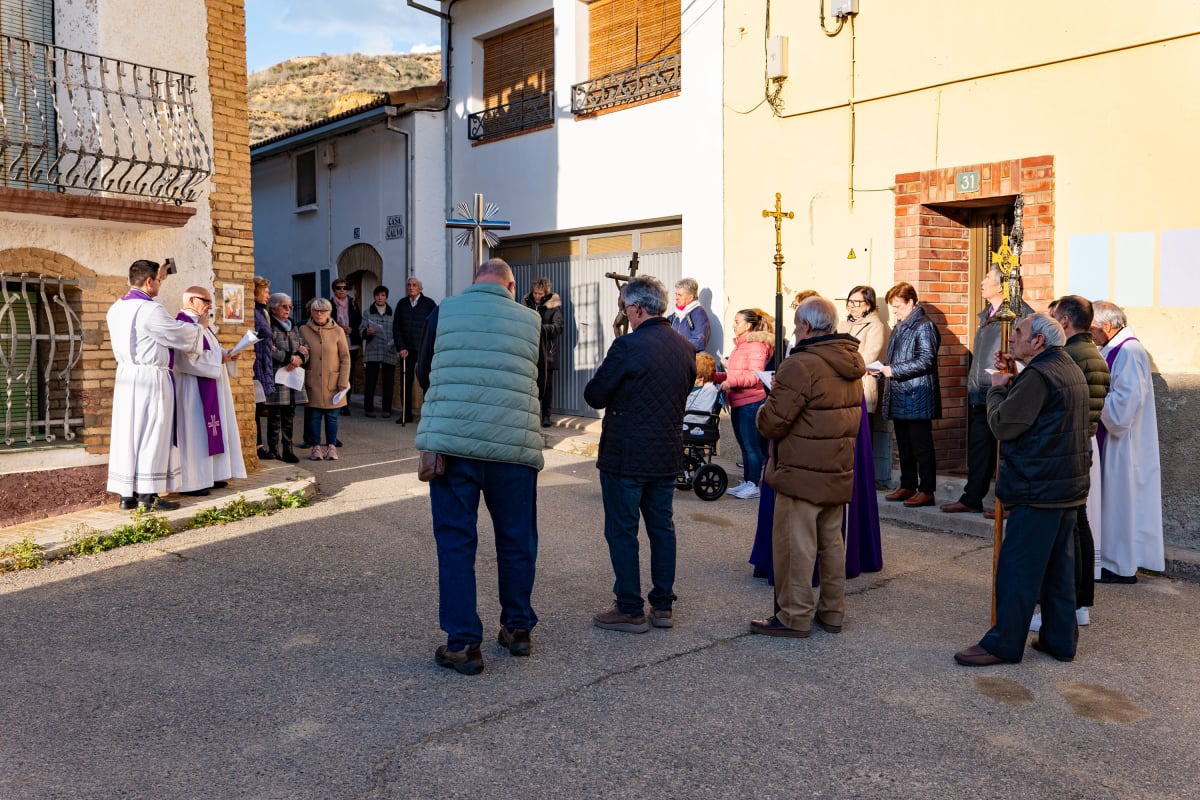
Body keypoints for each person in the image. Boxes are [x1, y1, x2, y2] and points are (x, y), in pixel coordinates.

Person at [415, 259, 544, 676]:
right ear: (511, 284)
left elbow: (423, 371)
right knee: (517, 539)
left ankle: (463, 644)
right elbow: (537, 374)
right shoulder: (531, 319)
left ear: (474, 283)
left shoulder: (444, 310)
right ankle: (518, 629)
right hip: (513, 445)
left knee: (456, 542)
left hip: (453, 447)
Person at [954, 313, 1090, 666]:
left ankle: (1003, 644)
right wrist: (1014, 377)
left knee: (1018, 570)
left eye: (1018, 333)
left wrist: (999, 386)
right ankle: (1059, 640)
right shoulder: (1064, 365)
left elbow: (1003, 424)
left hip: (1039, 487)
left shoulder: (1041, 374)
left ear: (1039, 342)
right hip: (1063, 485)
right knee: (1057, 572)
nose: (1012, 338)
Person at [585, 275, 696, 633]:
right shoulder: (684, 347)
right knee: (662, 528)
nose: (625, 314)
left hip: (626, 454)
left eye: (624, 308)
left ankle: (630, 607)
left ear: (635, 308)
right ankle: (662, 606)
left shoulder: (627, 347)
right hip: (665, 452)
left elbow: (594, 395)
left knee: (622, 530)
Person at [750, 296, 865, 637]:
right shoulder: (848, 360)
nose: (796, 329)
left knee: (795, 545)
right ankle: (832, 612)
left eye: (798, 323)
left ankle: (794, 615)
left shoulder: (801, 364)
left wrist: (761, 409)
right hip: (836, 466)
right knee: (831, 544)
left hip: (802, 469)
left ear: (807, 326)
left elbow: (772, 422)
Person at [1028, 295, 1109, 630]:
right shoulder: (1093, 354)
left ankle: (1066, 604)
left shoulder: (1070, 356)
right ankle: (1079, 602)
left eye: (1054, 316)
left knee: (1064, 535)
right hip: (1081, 445)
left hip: (1066, 447)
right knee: (1077, 527)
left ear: (1064, 321)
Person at [106, 260, 205, 511]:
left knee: (128, 434)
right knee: (153, 432)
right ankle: (147, 495)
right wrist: (198, 328)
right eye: (159, 280)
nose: (161, 284)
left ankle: (127, 495)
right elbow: (176, 333)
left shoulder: (116, 307)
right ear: (149, 281)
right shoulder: (150, 309)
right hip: (151, 378)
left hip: (127, 376)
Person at [941, 268, 1034, 514]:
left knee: (1006, 450)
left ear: (1002, 286)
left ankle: (1008, 502)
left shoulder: (1020, 315)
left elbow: (1023, 352)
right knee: (980, 449)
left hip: (1006, 391)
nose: (981, 283)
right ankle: (972, 496)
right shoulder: (987, 315)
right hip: (982, 392)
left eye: (987, 279)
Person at [1091, 300, 1165, 583]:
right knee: (1113, 502)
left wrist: (1092, 396)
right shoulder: (1112, 348)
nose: (1092, 336)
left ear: (1108, 326)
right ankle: (1109, 560)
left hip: (1123, 443)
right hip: (1111, 436)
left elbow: (1125, 404)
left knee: (1121, 501)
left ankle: (1121, 565)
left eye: (1094, 329)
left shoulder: (1130, 351)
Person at [173, 286, 246, 496]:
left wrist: (226, 353)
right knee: (194, 433)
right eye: (206, 300)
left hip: (211, 384)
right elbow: (185, 361)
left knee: (212, 429)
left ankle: (212, 475)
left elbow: (209, 351)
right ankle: (192, 482)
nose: (210, 305)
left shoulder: (201, 324)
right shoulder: (182, 324)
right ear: (191, 300)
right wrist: (217, 358)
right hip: (192, 389)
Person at [875, 282, 941, 508]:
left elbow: (926, 359)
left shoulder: (924, 326)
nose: (894, 311)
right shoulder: (901, 325)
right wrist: (882, 369)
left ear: (911, 302)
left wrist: (892, 371)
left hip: (917, 393)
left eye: (897, 306)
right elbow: (896, 358)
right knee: (904, 444)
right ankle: (908, 484)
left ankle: (927, 490)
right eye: (892, 307)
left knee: (921, 446)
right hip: (901, 392)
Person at [715, 308, 774, 499]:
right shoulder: (740, 345)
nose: (733, 325)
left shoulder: (756, 345)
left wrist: (730, 382)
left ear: (748, 325)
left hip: (751, 402)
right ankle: (748, 481)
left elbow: (753, 376)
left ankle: (753, 484)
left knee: (752, 446)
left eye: (737, 321)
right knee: (744, 445)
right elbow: (736, 372)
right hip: (738, 401)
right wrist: (715, 376)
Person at [836, 285, 892, 483]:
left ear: (868, 304)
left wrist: (840, 362)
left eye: (856, 302)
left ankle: (862, 479)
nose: (851, 306)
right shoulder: (842, 325)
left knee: (860, 435)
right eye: (849, 301)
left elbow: (869, 357)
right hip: (839, 386)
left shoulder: (876, 326)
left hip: (862, 385)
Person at [300, 298, 350, 461]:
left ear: (329, 313)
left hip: (333, 382)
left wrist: (343, 381)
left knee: (332, 417)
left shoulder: (338, 331)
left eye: (323, 311)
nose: (319, 314)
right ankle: (315, 447)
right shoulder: (303, 330)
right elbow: (299, 354)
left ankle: (331, 447)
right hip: (313, 380)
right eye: (316, 311)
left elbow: (345, 358)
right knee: (314, 415)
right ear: (311, 312)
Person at [263, 293, 308, 464]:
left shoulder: (293, 326)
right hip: (278, 375)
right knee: (275, 416)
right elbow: (269, 349)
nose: (288, 309)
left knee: (289, 415)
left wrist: (300, 359)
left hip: (293, 377)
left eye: (290, 306)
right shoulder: (270, 326)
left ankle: (288, 449)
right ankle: (274, 450)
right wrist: (290, 358)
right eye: (284, 306)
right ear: (273, 308)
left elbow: (304, 348)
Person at [392, 276, 437, 424]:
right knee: (406, 382)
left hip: (424, 348)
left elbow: (434, 326)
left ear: (420, 288)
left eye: (414, 285)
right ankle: (406, 414)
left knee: (426, 381)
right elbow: (396, 327)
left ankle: (427, 414)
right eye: (409, 285)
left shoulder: (429, 304)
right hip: (407, 350)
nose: (411, 287)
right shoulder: (402, 304)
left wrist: (431, 346)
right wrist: (401, 347)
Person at [522, 277, 565, 428]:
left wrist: (540, 328)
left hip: (548, 352)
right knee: (529, 384)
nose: (537, 296)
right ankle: (529, 415)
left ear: (546, 293)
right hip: (530, 350)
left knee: (546, 386)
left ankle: (546, 416)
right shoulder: (526, 301)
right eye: (535, 293)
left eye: (540, 294)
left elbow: (559, 327)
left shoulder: (553, 304)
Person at [359, 285, 396, 418]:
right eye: (377, 295)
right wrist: (366, 332)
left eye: (383, 295)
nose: (380, 298)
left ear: (386, 297)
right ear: (374, 296)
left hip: (388, 349)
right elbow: (361, 330)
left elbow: (397, 330)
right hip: (373, 350)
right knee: (370, 381)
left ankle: (387, 409)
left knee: (388, 382)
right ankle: (368, 408)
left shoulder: (392, 313)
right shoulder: (367, 312)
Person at [328, 279, 361, 417]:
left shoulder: (353, 303)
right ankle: (337, 400)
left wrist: (351, 329)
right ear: (334, 289)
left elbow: (359, 320)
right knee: (337, 372)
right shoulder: (329, 304)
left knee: (349, 373)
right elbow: (328, 320)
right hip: (336, 343)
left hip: (351, 343)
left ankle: (346, 402)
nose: (342, 290)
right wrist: (340, 328)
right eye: (338, 287)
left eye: (344, 287)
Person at [252, 276, 276, 460]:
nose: (268, 295)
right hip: (256, 365)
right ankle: (257, 445)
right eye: (265, 292)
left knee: (259, 407)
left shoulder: (262, 311)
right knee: (256, 407)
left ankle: (259, 445)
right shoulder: (253, 311)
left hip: (263, 362)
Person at [669, 277, 710, 352]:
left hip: (690, 360)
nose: (676, 298)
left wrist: (677, 347)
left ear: (690, 297)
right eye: (676, 294)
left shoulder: (699, 314)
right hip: (674, 359)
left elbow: (700, 341)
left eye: (680, 295)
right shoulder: (674, 316)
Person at [684, 353, 720, 427]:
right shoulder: (691, 385)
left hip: (692, 425)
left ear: (701, 377)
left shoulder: (710, 390)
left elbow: (701, 417)